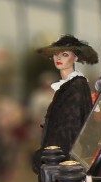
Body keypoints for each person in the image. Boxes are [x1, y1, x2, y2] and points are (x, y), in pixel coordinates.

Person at [33, 34, 97, 172]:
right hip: (61, 157)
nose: (59, 58)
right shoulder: (68, 86)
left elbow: (71, 127)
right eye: (56, 55)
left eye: (65, 54)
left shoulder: (76, 86)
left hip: (65, 161)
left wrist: (53, 156)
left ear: (76, 57)